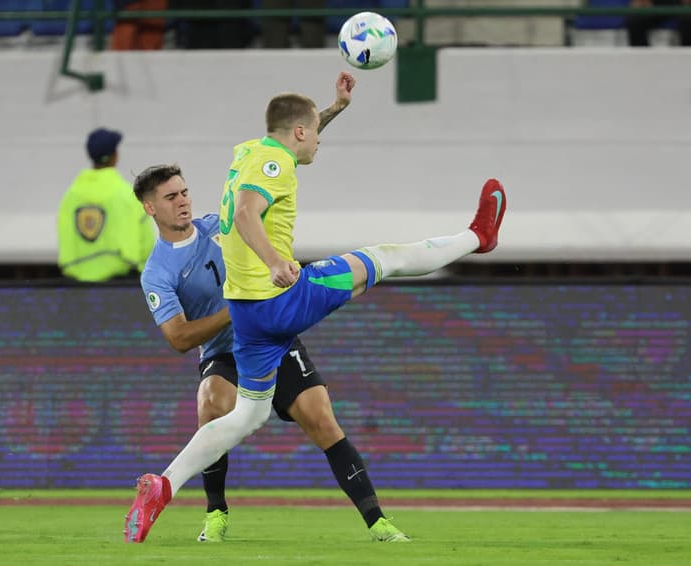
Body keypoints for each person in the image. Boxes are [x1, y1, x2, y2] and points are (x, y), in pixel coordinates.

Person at [124, 71, 507, 543]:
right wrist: (276, 263)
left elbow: (293, 137)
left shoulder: (249, 152)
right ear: (299, 134)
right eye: (316, 135)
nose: (318, 144)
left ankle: (163, 484)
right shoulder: (271, 168)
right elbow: (246, 212)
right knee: (386, 259)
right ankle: (478, 237)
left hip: (249, 320)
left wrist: (335, 109)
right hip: (281, 299)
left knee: (248, 415)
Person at [130, 162, 409, 543]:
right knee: (212, 401)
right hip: (224, 353)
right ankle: (216, 514)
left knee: (322, 418)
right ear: (150, 208)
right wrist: (236, 310)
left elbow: (274, 175)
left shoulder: (218, 226)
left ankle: (378, 522)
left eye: (184, 192)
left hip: (273, 338)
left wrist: (319, 124)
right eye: (171, 197)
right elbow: (179, 338)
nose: (183, 202)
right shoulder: (157, 271)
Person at [57, 128, 155, 282]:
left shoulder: (71, 196)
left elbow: (65, 238)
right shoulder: (127, 195)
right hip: (121, 286)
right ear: (115, 156)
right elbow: (146, 243)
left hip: (77, 287)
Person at [626, 0, 691, 47]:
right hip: (654, 2)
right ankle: (641, 59)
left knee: (687, 20)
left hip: (681, 3)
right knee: (634, 20)